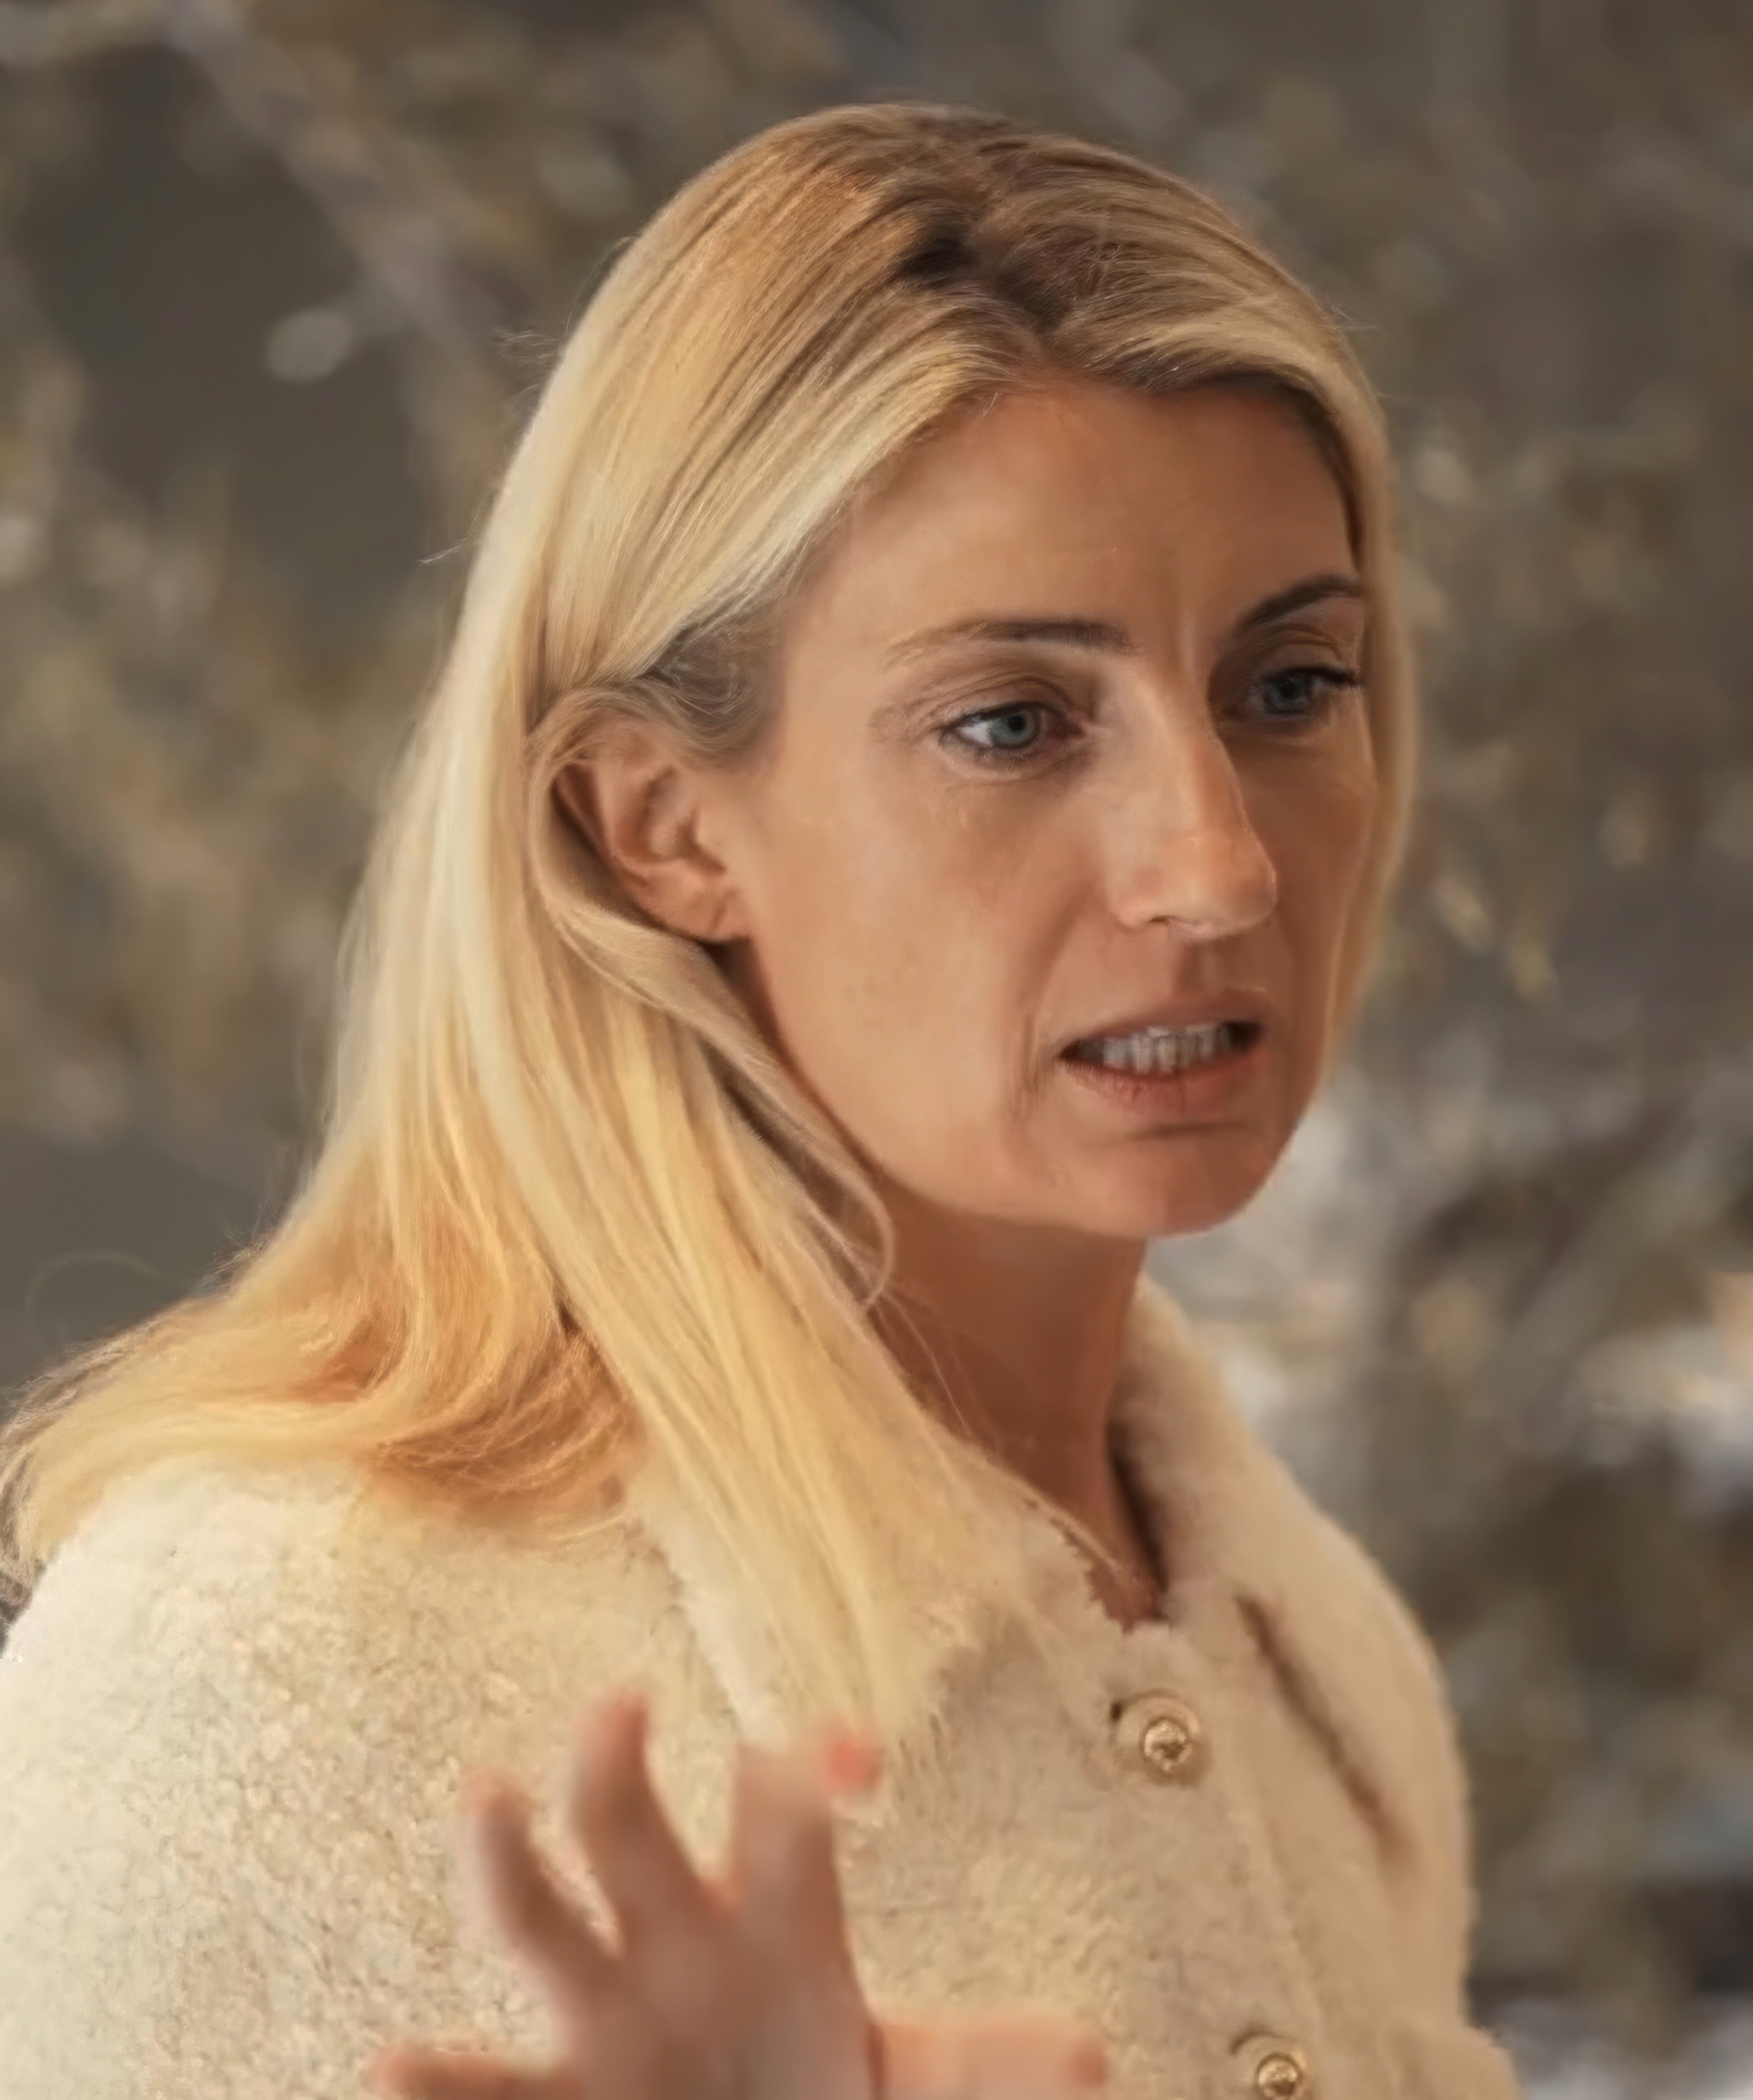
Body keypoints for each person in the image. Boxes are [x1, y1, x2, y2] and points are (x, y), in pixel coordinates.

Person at [0, 101, 1524, 2100]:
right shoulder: (273, 1651)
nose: (1218, 863)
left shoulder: (1321, 1662)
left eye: (1290, 685)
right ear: (655, 828)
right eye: (1011, 721)